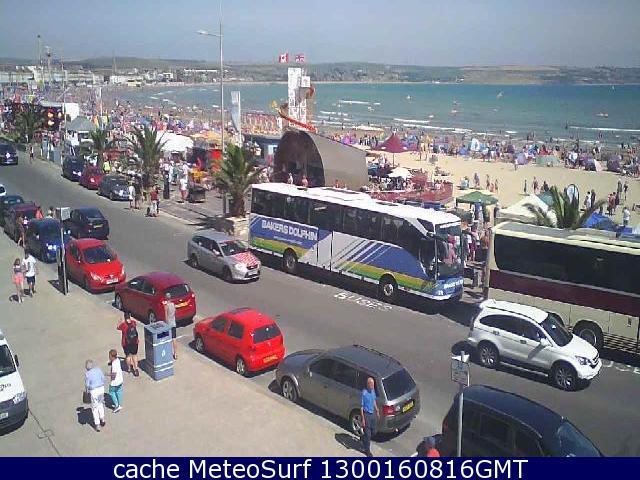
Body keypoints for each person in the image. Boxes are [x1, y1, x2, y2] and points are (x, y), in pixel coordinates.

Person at [84, 359, 106, 432]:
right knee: (100, 404)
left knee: (94, 408)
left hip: (94, 391)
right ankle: (102, 419)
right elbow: (103, 378)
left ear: (86, 367)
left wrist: (87, 391)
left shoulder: (87, 374)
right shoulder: (98, 370)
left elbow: (87, 385)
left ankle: (97, 424)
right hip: (101, 389)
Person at [360, 377, 379, 457]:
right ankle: (367, 451)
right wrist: (363, 419)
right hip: (366, 414)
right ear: (368, 384)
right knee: (368, 435)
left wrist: (377, 410)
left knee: (374, 431)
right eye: (371, 384)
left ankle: (363, 437)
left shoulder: (373, 391)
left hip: (372, 414)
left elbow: (374, 401)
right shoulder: (364, 393)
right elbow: (361, 407)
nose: (373, 386)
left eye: (373, 384)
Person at [117, 312, 140, 377]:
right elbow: (135, 324)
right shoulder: (133, 322)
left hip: (126, 343)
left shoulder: (123, 325)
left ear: (124, 318)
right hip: (135, 342)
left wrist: (119, 321)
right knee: (134, 355)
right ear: (129, 317)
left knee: (128, 356)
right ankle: (136, 369)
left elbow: (118, 327)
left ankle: (129, 368)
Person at [163, 292, 177, 360]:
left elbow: (166, 316)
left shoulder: (166, 306)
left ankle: (169, 353)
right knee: (174, 339)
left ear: (166, 298)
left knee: (168, 339)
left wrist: (165, 324)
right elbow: (175, 313)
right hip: (173, 323)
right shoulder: (173, 304)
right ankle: (175, 353)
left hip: (169, 324)